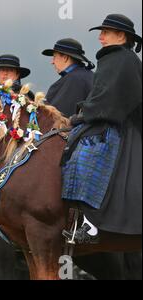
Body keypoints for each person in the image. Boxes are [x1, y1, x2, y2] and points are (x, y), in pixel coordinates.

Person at [62, 14, 142, 244]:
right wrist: (84, 113)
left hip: (119, 128)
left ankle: (91, 226)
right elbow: (102, 98)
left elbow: (108, 102)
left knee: (86, 156)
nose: (100, 37)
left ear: (121, 36)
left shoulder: (122, 59)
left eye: (105, 32)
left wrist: (80, 116)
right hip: (106, 120)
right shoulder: (116, 58)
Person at [42, 38, 95, 117]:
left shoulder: (74, 79)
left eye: (54, 57)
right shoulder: (90, 75)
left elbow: (55, 117)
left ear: (65, 58)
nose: (52, 62)